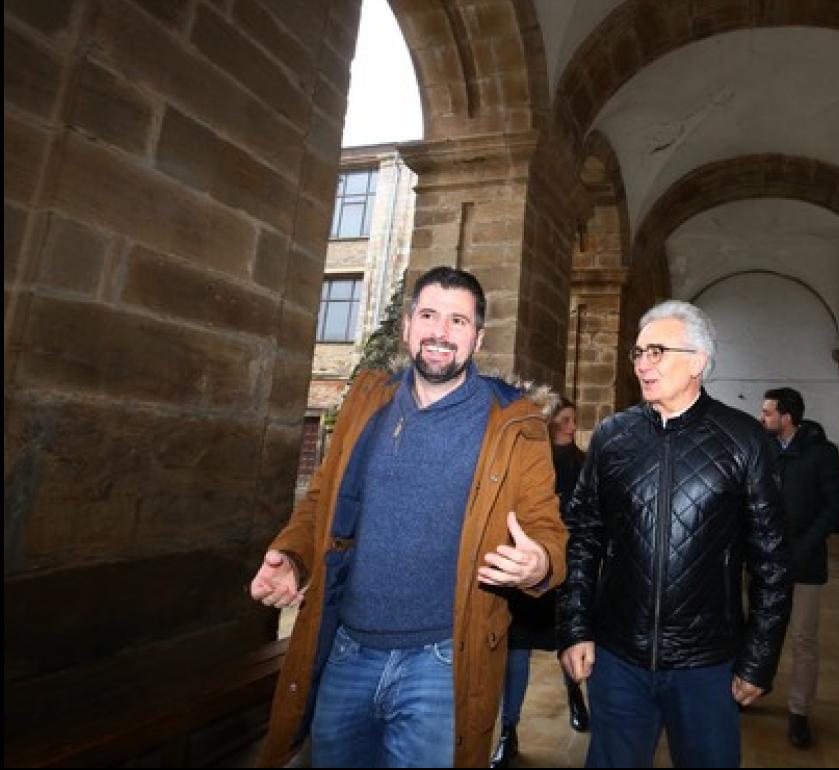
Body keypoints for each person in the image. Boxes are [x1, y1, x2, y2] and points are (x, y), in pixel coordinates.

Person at [249, 267, 568, 768]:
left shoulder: (514, 425)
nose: (441, 332)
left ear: (478, 336)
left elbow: (547, 530)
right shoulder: (366, 402)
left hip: (441, 663)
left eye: (458, 320)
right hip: (348, 653)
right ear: (407, 326)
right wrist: (292, 556)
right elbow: (322, 501)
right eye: (429, 315)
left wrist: (539, 564)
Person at [558, 300, 791, 768]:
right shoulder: (612, 436)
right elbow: (583, 537)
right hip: (619, 657)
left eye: (657, 351)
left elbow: (772, 562)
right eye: (639, 352)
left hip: (706, 664)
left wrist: (759, 658)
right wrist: (575, 627)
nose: (643, 363)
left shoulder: (744, 440)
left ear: (698, 362)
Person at [490, 398, 591, 768]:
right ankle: (508, 730)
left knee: (567, 640)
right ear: (547, 424)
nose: (570, 427)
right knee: (516, 652)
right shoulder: (529, 460)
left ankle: (575, 697)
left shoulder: (583, 464)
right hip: (525, 571)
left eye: (573, 421)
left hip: (562, 569)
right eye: (564, 420)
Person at [759, 387, 839, 749]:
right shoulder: (762, 450)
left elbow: (835, 508)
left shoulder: (821, 455)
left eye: (768, 413)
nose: (762, 418)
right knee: (759, 628)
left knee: (803, 639)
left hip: (804, 563)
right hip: (763, 559)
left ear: (787, 418)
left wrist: (801, 547)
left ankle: (799, 712)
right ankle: (750, 687)